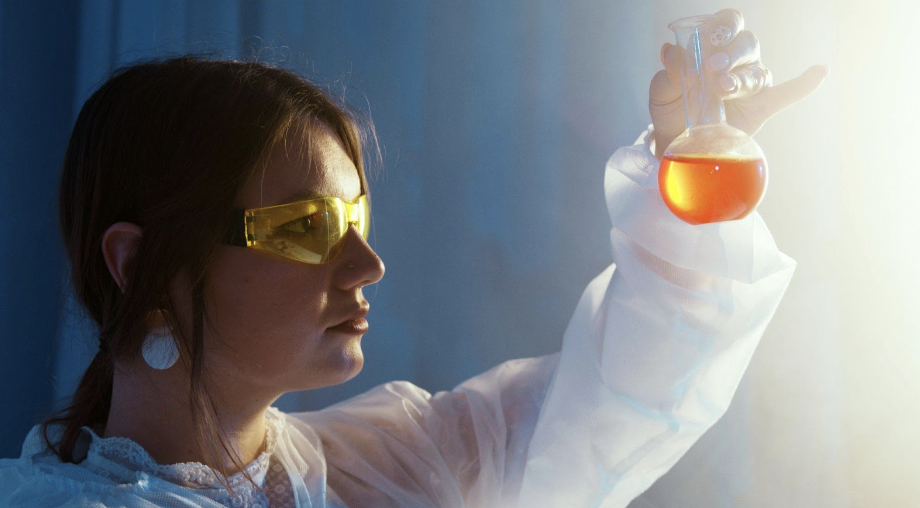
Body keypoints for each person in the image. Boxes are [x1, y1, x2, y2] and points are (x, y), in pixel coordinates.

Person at [0, 9, 827, 508]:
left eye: (357, 218)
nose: (367, 264)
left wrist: (691, 168)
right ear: (135, 265)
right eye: (306, 225)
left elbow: (625, 395)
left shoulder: (395, 467)